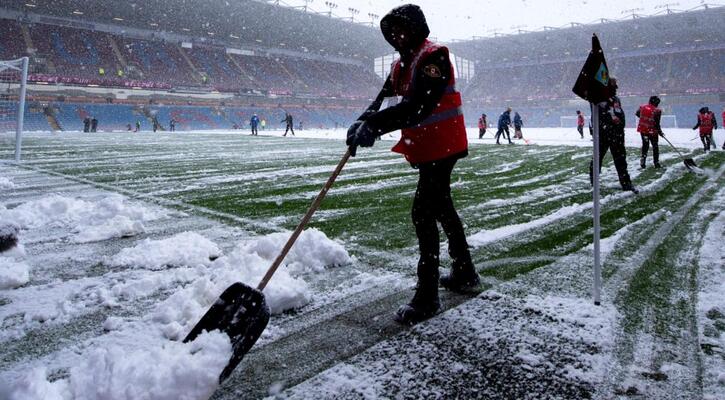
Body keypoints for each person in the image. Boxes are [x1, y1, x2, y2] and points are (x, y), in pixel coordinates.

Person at [346, 4, 479, 325]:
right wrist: (360, 123)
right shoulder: (401, 64)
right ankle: (463, 270)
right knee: (441, 206)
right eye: (391, 32)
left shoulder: (433, 57)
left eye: (401, 29)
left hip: (443, 145)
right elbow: (381, 101)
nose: (396, 36)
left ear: (418, 29)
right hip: (427, 146)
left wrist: (375, 126)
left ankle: (427, 295)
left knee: (423, 211)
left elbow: (419, 105)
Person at [589, 78, 637, 193]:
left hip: (617, 135)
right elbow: (598, 115)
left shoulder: (616, 99)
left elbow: (619, 114)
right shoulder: (597, 99)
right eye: (614, 87)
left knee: (621, 160)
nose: (616, 89)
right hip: (603, 134)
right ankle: (594, 181)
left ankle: (626, 183)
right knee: (597, 158)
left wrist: (620, 126)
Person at [635, 96, 663, 169]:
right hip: (652, 131)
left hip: (643, 130)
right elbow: (657, 123)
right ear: (656, 103)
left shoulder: (642, 107)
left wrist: (644, 120)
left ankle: (643, 161)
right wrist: (660, 132)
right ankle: (656, 163)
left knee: (645, 145)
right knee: (655, 146)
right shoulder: (657, 111)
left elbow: (637, 114)